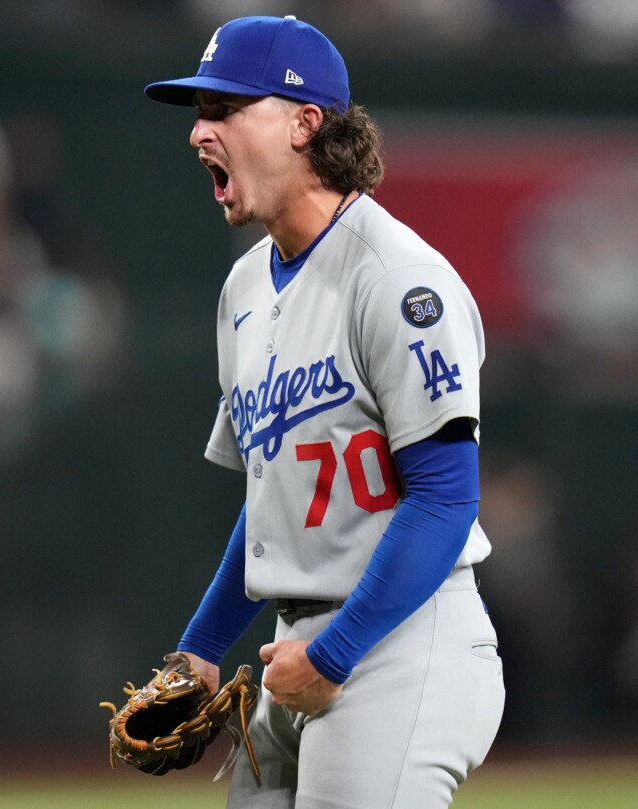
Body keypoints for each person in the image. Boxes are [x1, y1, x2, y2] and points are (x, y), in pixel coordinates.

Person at [142, 15, 504, 809]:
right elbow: (272, 503)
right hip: (294, 650)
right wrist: (202, 650)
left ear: (306, 123)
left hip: (403, 643)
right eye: (199, 112)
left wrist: (334, 654)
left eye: (226, 108)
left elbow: (445, 498)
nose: (200, 131)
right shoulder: (244, 289)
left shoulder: (401, 280)